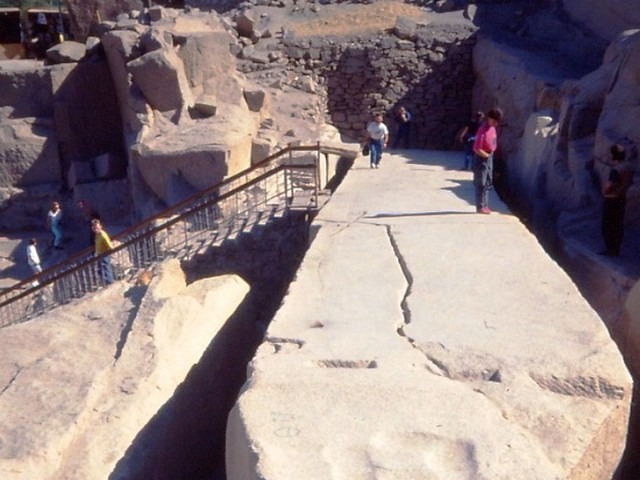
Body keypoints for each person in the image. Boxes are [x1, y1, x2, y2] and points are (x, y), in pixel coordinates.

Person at [600, 144, 634, 257]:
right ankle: (616, 249)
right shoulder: (628, 167)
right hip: (622, 198)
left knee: (608, 225)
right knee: (618, 224)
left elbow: (610, 184)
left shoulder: (616, 170)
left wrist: (604, 191)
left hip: (612, 199)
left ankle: (610, 249)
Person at [472, 108, 503, 214]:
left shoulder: (492, 129)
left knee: (488, 182)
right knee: (481, 182)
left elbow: (493, 142)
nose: (495, 124)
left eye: (497, 122)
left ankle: (485, 205)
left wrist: (491, 155)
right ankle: (480, 206)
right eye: (494, 121)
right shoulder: (483, 129)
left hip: (490, 156)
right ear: (489, 118)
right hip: (482, 157)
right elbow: (477, 148)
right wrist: (486, 156)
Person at [92, 219, 115, 284]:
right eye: (94, 228)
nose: (95, 229)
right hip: (100, 253)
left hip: (105, 253)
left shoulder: (103, 235)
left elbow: (108, 243)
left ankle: (109, 281)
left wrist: (111, 250)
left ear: (100, 226)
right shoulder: (97, 235)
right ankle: (104, 281)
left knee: (106, 267)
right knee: (101, 268)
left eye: (97, 228)